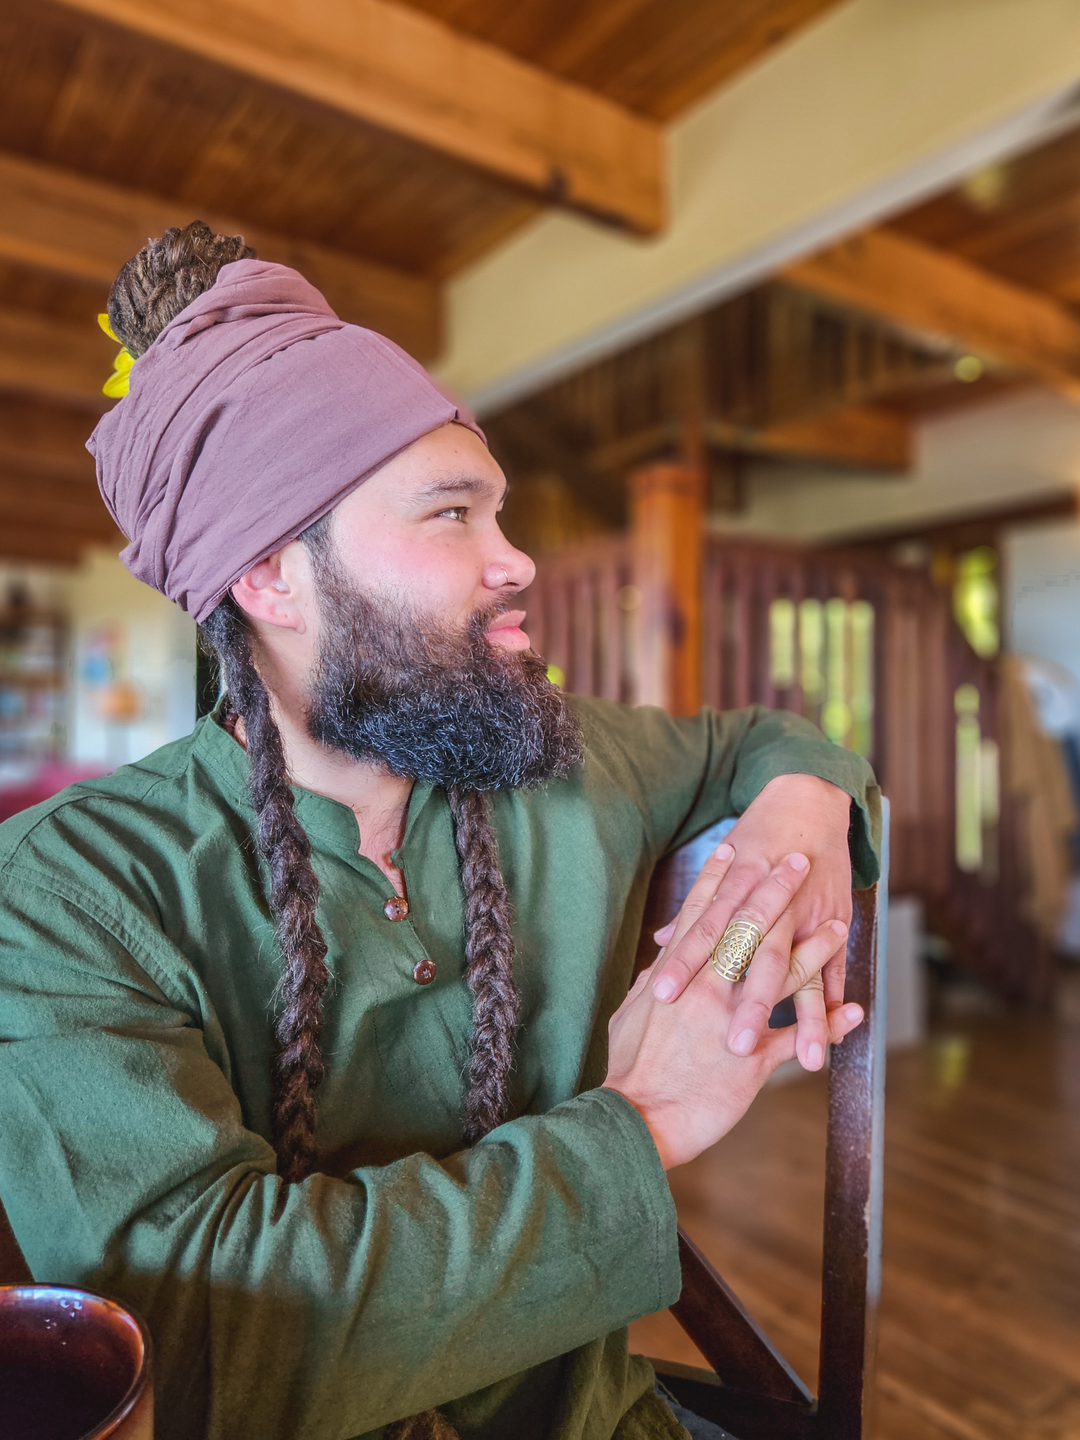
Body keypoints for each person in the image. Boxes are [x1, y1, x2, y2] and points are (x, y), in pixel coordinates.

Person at [0, 224, 880, 1440]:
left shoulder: (563, 767)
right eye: (453, 514)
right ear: (268, 577)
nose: (516, 561)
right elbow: (198, 1344)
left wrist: (802, 800)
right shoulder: (70, 886)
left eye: (499, 512)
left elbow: (758, 742)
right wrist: (642, 1122)